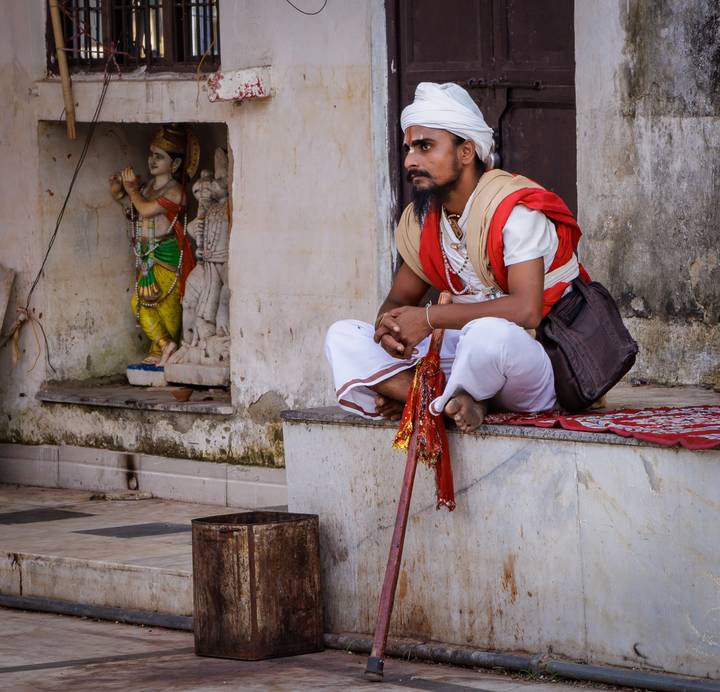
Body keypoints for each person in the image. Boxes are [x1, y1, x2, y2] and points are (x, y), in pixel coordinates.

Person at [325, 82, 589, 432]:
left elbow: (526, 310)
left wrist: (430, 318)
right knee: (342, 335)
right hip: (461, 357)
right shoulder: (425, 223)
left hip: (526, 361)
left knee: (489, 335)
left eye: (425, 146)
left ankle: (429, 397)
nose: (410, 160)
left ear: (466, 152)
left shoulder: (514, 212)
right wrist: (389, 332)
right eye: (409, 149)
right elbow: (398, 300)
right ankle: (439, 399)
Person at [109, 125, 198, 365]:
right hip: (147, 256)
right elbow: (136, 212)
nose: (152, 160)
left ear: (176, 164)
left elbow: (146, 209)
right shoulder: (147, 187)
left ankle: (168, 350)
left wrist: (131, 191)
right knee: (140, 303)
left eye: (159, 156)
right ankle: (163, 344)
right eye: (151, 154)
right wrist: (121, 194)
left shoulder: (176, 191)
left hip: (167, 254)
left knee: (167, 305)